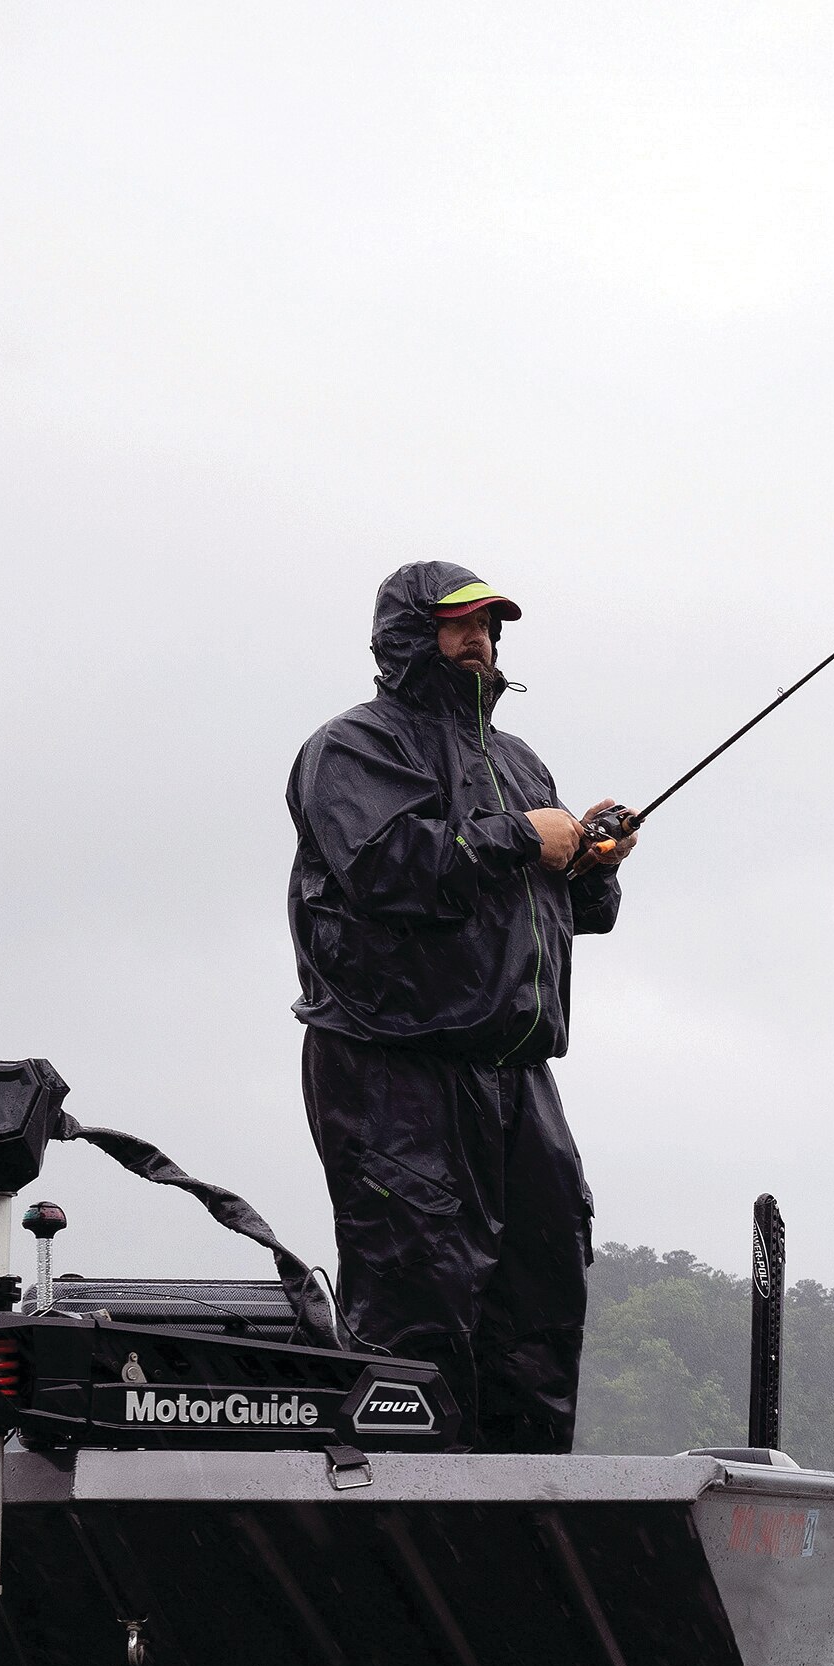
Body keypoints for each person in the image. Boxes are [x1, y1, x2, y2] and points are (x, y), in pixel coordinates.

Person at [285, 561, 633, 1450]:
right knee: (418, 1300)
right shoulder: (353, 746)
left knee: (542, 1297)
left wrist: (591, 868)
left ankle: (525, 1519)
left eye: (489, 624)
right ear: (409, 634)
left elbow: (559, 915)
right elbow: (383, 868)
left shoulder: (520, 762)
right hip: (392, 1069)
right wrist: (520, 837)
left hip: (516, 1076)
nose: (478, 637)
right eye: (458, 624)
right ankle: (409, 1521)